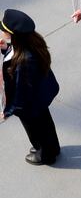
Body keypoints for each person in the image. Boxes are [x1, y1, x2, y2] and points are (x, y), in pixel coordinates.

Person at [1, 9, 60, 165]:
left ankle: (45, 154)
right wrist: (5, 49)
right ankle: (52, 148)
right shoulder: (30, 44)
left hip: (30, 104)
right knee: (46, 124)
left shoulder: (23, 62)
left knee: (34, 129)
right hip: (40, 98)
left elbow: (21, 92)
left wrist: (9, 111)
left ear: (13, 34)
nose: (2, 34)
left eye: (4, 31)